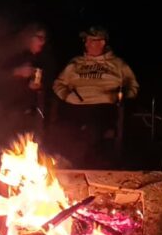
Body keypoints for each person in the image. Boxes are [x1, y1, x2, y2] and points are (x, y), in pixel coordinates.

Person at [51, 26, 139, 164]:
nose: (86, 44)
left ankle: (72, 163)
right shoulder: (75, 63)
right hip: (75, 105)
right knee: (59, 128)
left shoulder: (118, 64)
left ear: (102, 42)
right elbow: (58, 84)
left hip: (103, 107)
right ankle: (52, 162)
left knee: (92, 129)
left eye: (90, 40)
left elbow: (133, 87)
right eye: (85, 40)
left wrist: (119, 98)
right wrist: (67, 96)